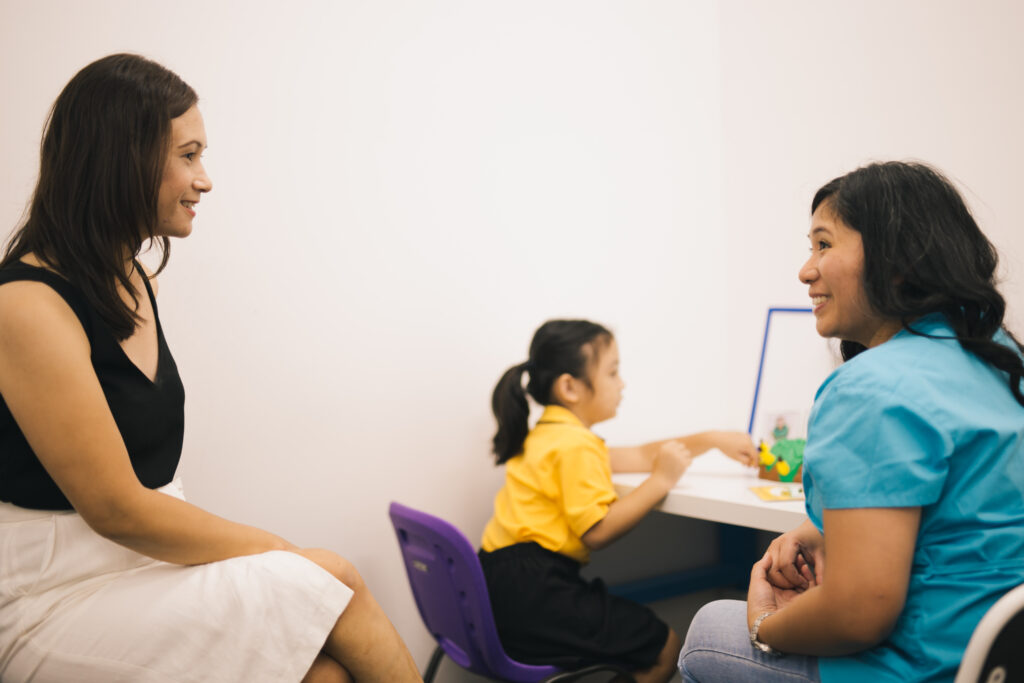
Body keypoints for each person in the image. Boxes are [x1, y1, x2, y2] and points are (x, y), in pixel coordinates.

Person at [0, 54, 420, 683]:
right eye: (189, 155)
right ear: (124, 159)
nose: (206, 179)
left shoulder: (139, 284)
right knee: (334, 577)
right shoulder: (25, 306)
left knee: (325, 674)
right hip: (52, 595)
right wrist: (281, 553)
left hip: (139, 567)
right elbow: (116, 509)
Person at [678, 162, 1024, 682]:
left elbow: (859, 613)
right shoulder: (1001, 358)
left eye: (823, 244)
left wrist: (765, 623)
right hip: (998, 656)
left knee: (709, 627)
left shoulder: (872, 385)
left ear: (899, 260)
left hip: (924, 668)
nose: (805, 269)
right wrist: (823, 529)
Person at [479, 319, 757, 683]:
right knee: (664, 647)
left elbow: (642, 454)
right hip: (535, 591)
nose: (622, 383)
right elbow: (598, 530)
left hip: (502, 583)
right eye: (612, 372)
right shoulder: (574, 445)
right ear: (570, 387)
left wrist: (711, 439)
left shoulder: (551, 435)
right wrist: (661, 481)